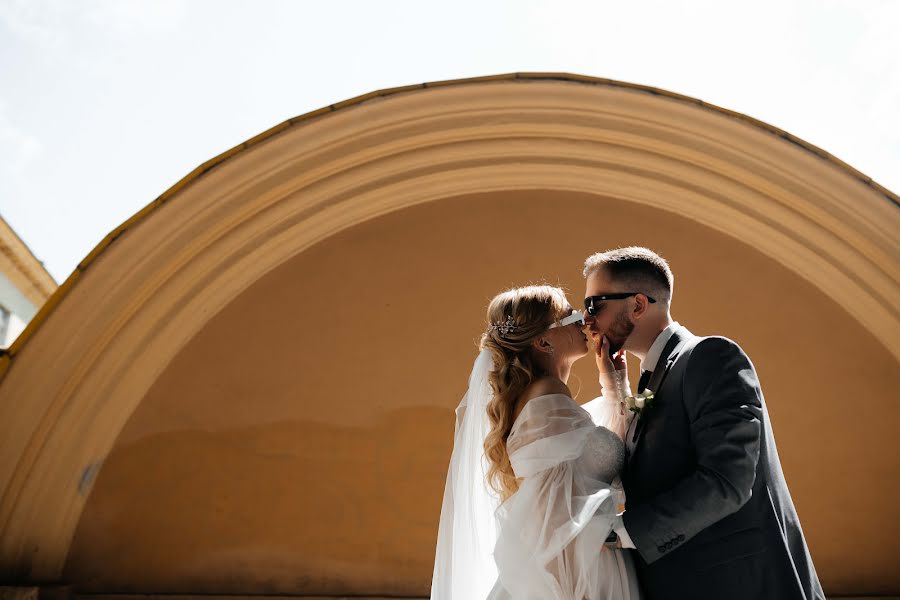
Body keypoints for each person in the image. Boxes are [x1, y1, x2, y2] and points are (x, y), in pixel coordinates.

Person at [582, 246, 824, 600]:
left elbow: (727, 480)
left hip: (739, 585)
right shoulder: (653, 377)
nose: (587, 320)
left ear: (637, 304)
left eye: (594, 305)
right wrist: (615, 390)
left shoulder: (709, 357)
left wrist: (621, 532)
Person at [431, 285, 642, 600]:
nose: (583, 320)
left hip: (579, 559)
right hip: (575, 570)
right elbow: (555, 511)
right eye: (570, 316)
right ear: (543, 341)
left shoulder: (545, 398)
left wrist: (613, 381)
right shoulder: (547, 395)